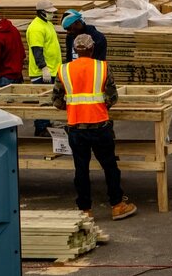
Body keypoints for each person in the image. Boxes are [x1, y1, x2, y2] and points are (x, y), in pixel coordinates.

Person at [52, 34, 137, 222]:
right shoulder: (102, 67)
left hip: (76, 127)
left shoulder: (64, 70)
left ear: (75, 50)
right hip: (100, 126)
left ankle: (85, 210)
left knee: (81, 169)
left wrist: (75, 106)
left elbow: (57, 101)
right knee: (109, 166)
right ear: (92, 49)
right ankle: (117, 205)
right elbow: (112, 98)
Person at [27, 0, 62, 136]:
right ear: (41, 12)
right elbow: (37, 50)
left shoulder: (47, 24)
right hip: (42, 73)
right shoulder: (36, 27)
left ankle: (46, 124)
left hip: (52, 70)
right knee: (43, 100)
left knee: (49, 99)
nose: (52, 15)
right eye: (49, 12)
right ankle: (41, 128)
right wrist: (43, 68)